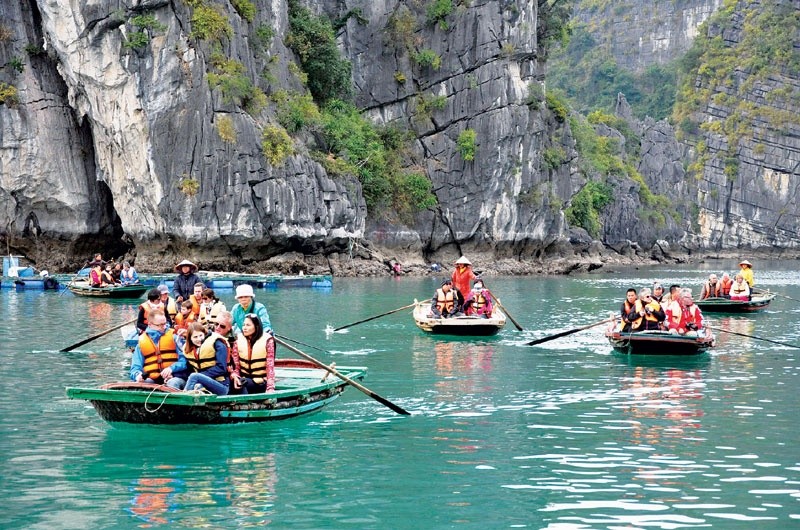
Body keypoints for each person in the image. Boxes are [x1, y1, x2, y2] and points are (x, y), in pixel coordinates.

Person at [130, 309, 187, 389]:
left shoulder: (175, 337)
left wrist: (171, 368)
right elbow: (135, 367)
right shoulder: (141, 343)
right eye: (160, 325)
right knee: (144, 385)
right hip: (153, 378)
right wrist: (137, 376)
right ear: (150, 324)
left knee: (172, 383)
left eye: (165, 323)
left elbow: (184, 361)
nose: (164, 327)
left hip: (175, 376)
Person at [183, 315, 232, 396]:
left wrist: (201, 375)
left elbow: (221, 368)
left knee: (195, 376)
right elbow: (188, 369)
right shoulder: (189, 349)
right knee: (195, 385)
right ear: (190, 339)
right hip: (202, 383)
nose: (199, 339)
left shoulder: (217, 343)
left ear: (204, 334)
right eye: (195, 337)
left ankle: (183, 399)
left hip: (221, 385)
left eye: (200, 335)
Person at [231, 313, 276, 394]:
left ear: (256, 327)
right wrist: (235, 377)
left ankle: (244, 402)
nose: (244, 328)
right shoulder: (238, 340)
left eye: (248, 325)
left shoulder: (268, 341)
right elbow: (236, 365)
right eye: (244, 325)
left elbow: (270, 367)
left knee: (242, 384)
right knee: (234, 382)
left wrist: (270, 388)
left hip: (260, 382)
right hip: (243, 379)